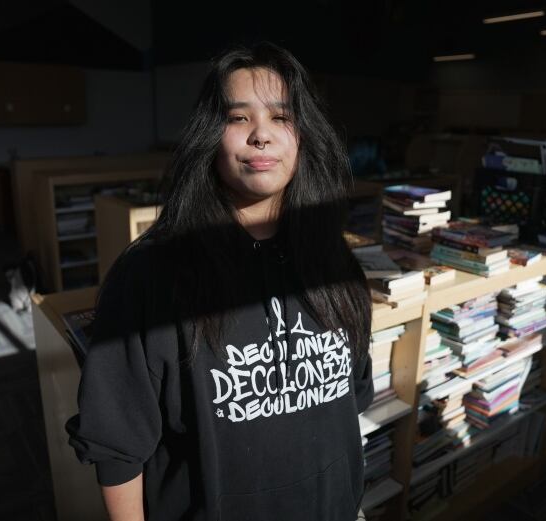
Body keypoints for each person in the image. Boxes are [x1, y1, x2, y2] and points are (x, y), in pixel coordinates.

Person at [66, 41, 374, 521]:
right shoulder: (152, 274)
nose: (261, 136)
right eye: (238, 118)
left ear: (305, 135)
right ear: (210, 136)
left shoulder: (332, 260)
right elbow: (117, 447)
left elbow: (352, 396)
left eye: (281, 117)